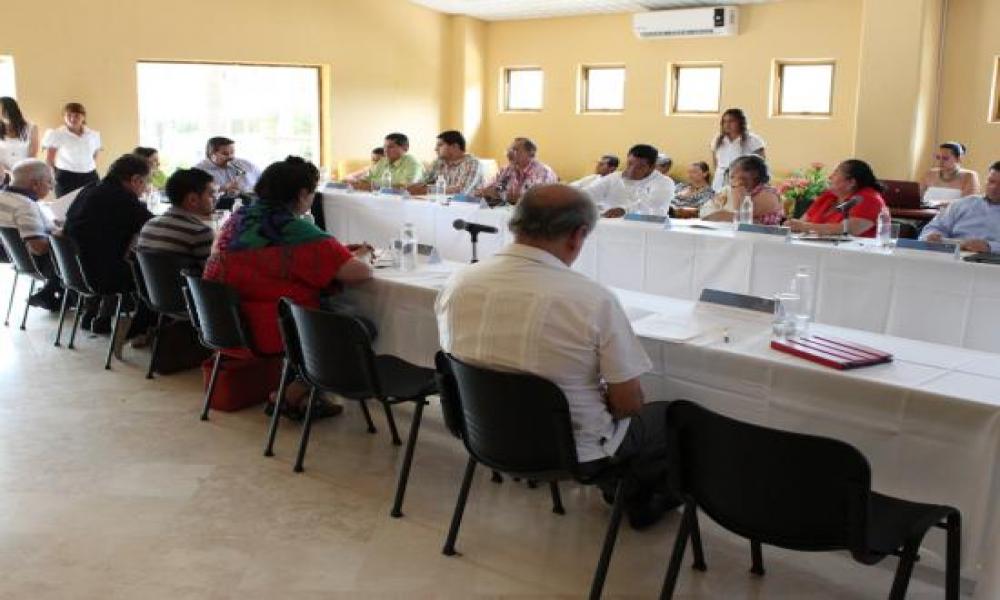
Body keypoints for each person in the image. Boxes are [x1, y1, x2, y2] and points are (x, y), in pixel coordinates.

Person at [436, 184, 675, 529]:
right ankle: (636, 500)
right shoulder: (591, 299)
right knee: (667, 416)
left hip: (484, 434)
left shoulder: (458, 283)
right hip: (573, 452)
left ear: (514, 224)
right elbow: (628, 404)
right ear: (578, 235)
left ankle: (624, 488)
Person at [203, 156, 374, 418]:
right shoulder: (293, 229)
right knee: (358, 327)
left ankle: (307, 396)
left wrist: (337, 252)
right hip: (273, 327)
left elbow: (281, 263)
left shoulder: (235, 222)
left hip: (229, 322)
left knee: (314, 316)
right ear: (303, 193)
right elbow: (359, 273)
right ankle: (292, 393)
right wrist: (359, 256)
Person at [63, 154, 153, 334]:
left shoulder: (90, 188)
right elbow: (154, 226)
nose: (145, 189)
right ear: (135, 179)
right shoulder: (121, 199)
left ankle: (101, 316)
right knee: (156, 274)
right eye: (145, 182)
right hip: (103, 275)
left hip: (75, 271)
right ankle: (142, 330)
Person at [0, 159, 62, 310]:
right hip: (42, 264)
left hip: (16, 258)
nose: (52, 186)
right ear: (35, 184)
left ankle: (50, 295)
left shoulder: (3, 196)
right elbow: (38, 248)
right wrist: (61, 234)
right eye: (49, 182)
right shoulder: (25, 206)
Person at [787, 160, 887, 237]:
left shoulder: (870, 199)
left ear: (851, 182)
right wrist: (794, 225)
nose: (830, 177)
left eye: (835, 173)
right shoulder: (829, 195)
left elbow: (849, 230)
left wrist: (804, 227)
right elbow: (801, 222)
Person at [920, 160, 1000, 253]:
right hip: (952, 255)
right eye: (991, 181)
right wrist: (932, 235)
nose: (994, 187)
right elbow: (933, 227)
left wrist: (990, 247)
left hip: (991, 261)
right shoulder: (963, 204)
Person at [137, 168, 216, 263]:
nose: (215, 198)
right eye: (211, 194)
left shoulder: (149, 225)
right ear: (193, 200)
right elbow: (211, 275)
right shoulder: (200, 233)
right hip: (184, 278)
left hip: (153, 278)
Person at [584, 144, 675, 218]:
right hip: (611, 227)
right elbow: (590, 194)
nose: (632, 170)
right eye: (630, 164)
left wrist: (624, 211)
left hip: (647, 231)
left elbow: (654, 206)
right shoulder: (613, 178)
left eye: (640, 167)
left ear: (652, 167)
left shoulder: (664, 183)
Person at [701, 155, 783, 225]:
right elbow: (707, 211)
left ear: (754, 174)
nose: (731, 181)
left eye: (733, 176)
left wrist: (737, 190)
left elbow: (742, 217)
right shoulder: (736, 190)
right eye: (730, 177)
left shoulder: (769, 193)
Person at [42, 102, 102, 197]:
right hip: (65, 177)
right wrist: (52, 176)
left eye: (77, 115)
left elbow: (95, 155)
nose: (72, 119)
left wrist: (86, 167)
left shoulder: (93, 135)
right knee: (65, 208)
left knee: (91, 206)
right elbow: (49, 159)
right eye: (69, 115)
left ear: (83, 117)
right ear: (64, 117)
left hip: (90, 176)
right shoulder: (57, 134)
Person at [476, 137, 557, 205]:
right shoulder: (506, 170)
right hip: (506, 213)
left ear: (531, 154)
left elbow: (536, 201)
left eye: (515, 150)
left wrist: (502, 196)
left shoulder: (542, 171)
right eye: (509, 149)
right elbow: (489, 189)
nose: (509, 153)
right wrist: (485, 192)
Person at [407, 130, 483, 196]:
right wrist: (414, 187)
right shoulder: (439, 162)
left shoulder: (472, 163)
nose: (435, 149)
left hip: (466, 208)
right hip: (441, 205)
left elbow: (461, 191)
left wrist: (426, 190)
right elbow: (422, 183)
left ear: (455, 146)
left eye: (440, 145)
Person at [193, 136, 261, 209]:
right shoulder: (199, 171)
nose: (231, 157)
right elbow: (199, 197)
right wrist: (223, 189)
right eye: (225, 154)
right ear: (212, 154)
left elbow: (262, 181)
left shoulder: (245, 165)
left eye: (232, 152)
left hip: (250, 204)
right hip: (217, 208)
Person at [710, 108, 765, 191]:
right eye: (725, 121)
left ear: (741, 122)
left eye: (731, 121)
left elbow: (760, 165)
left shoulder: (753, 140)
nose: (727, 124)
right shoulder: (718, 140)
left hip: (743, 182)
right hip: (720, 181)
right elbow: (716, 163)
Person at [354, 133, 424, 191]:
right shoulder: (383, 161)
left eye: (390, 147)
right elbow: (364, 181)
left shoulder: (413, 162)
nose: (386, 150)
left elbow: (407, 186)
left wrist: (374, 185)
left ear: (405, 148)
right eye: (384, 147)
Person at [920, 142, 980, 207]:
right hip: (925, 214)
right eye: (938, 157)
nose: (940, 161)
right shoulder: (929, 174)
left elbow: (968, 202)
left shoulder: (969, 176)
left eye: (945, 158)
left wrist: (938, 203)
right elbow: (917, 198)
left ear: (958, 159)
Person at [0, 97, 39, 184]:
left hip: (25, 172)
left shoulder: (31, 128)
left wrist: (23, 172)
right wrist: (5, 172)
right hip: (2, 174)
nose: (2, 114)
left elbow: (33, 154)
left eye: (3, 110)